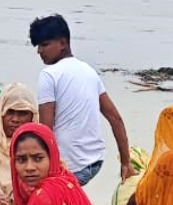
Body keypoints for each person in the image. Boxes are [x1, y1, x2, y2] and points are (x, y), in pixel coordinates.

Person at [30, 14, 135, 186]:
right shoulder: (89, 71)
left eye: (45, 45)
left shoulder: (49, 75)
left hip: (70, 166)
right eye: (38, 46)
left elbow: (45, 131)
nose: (40, 51)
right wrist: (126, 162)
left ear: (63, 43)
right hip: (95, 162)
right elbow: (116, 119)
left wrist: (43, 175)